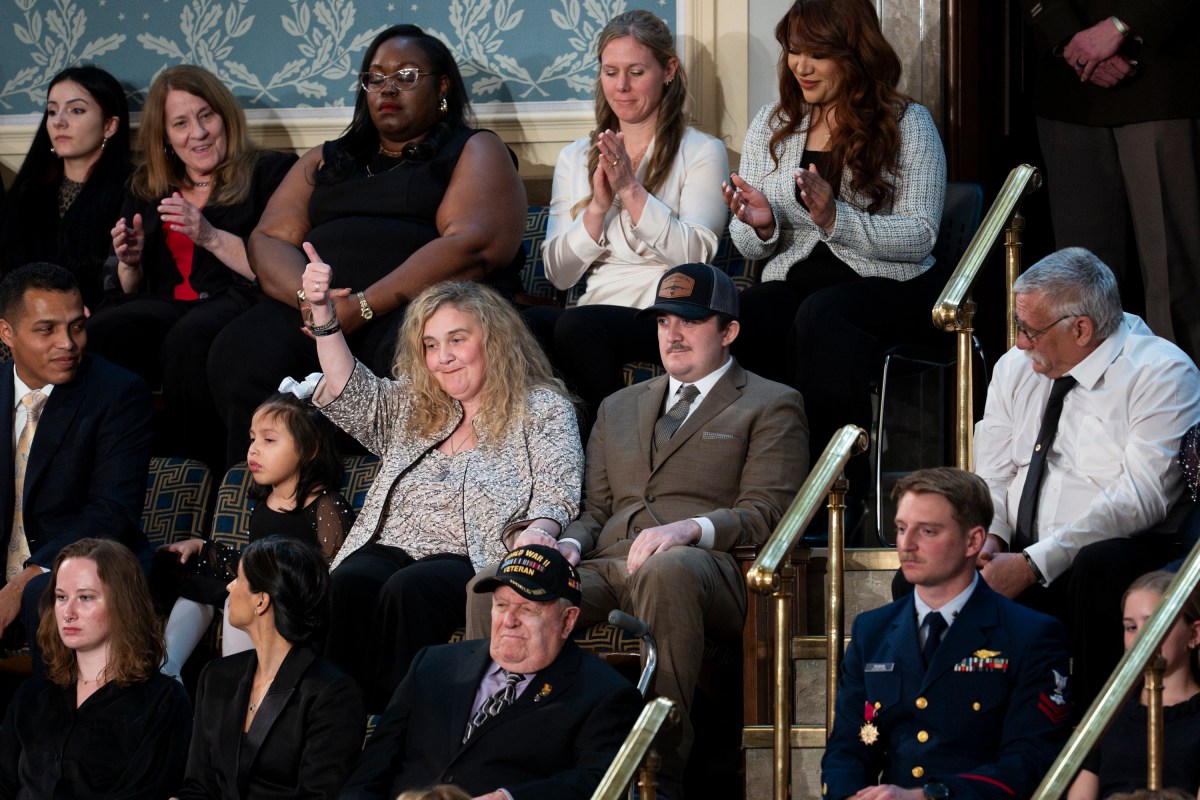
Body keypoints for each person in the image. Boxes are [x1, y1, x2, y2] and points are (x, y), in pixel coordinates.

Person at [469, 262, 808, 793]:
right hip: (611, 562)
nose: (672, 334)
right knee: (497, 581)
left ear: (729, 331)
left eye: (690, 322)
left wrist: (687, 530)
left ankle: (658, 767)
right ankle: (492, 753)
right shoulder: (619, 406)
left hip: (712, 569)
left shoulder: (772, 402)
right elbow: (596, 512)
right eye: (663, 321)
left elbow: (766, 513)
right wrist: (562, 543)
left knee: (666, 571)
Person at [208, 23, 528, 466]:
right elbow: (269, 238)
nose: (387, 88)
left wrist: (362, 306)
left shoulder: (473, 149)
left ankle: (390, 505)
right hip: (320, 311)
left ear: (443, 86)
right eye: (375, 78)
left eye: (407, 75)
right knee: (242, 348)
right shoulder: (327, 158)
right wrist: (312, 304)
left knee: (412, 354)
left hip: (412, 309)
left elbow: (472, 245)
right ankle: (266, 504)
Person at [301, 261, 582, 711]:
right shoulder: (417, 404)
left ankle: (393, 730)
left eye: (457, 340)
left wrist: (541, 529)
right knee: (347, 583)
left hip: (469, 555)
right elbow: (349, 389)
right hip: (390, 544)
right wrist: (322, 313)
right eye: (431, 346)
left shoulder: (541, 408)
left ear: (494, 341)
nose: (443, 357)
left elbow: (558, 487)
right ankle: (333, 724)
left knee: (406, 592)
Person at [721, 0, 945, 518]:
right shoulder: (774, 122)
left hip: (895, 285)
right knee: (746, 316)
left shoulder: (908, 123)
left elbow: (921, 235)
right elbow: (749, 243)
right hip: (800, 279)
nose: (801, 66)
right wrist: (761, 224)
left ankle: (836, 495)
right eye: (795, 52)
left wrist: (834, 219)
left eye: (818, 55)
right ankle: (760, 493)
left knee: (824, 317)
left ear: (854, 55)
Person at [972, 247, 1200, 713]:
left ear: (1081, 329)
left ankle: (1096, 741)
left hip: (1119, 549)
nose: (1019, 343)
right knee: (930, 574)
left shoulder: (1161, 371)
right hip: (1019, 549)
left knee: (1101, 565)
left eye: (1029, 331)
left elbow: (1141, 499)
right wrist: (991, 537)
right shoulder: (1015, 368)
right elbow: (992, 472)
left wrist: (1034, 564)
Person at [87, 65, 296, 470]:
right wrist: (130, 263)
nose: (197, 133)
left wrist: (210, 236)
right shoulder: (145, 187)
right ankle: (113, 471)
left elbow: (276, 271)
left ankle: (196, 476)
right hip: (165, 305)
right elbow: (129, 290)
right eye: (180, 123)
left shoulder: (269, 173)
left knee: (189, 337)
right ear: (164, 137)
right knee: (100, 331)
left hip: (240, 301)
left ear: (225, 117)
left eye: (206, 116)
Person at [527, 9, 729, 425]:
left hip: (665, 310)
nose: (621, 87)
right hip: (592, 310)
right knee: (518, 325)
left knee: (576, 327)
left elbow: (694, 257)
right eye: (610, 71)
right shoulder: (575, 158)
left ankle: (614, 445)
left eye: (636, 72)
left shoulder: (702, 151)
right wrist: (599, 207)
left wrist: (631, 191)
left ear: (668, 69)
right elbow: (559, 275)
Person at [822, 467, 1072, 800]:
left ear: (974, 541)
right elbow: (847, 750)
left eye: (927, 531)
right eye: (900, 529)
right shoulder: (872, 630)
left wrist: (929, 797)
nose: (906, 545)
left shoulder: (1030, 634)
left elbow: (1031, 761)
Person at [342, 545, 643, 800]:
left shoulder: (604, 693)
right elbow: (374, 764)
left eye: (527, 609)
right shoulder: (433, 664)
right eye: (501, 605)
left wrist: (510, 798)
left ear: (567, 620)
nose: (509, 620)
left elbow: (598, 784)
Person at [1020, 0, 1200, 363]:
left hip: (1162, 73)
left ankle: (1182, 409)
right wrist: (1071, 39)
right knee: (1079, 288)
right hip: (1069, 85)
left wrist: (1122, 25)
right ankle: (1090, 412)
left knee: (1175, 279)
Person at [0, 263, 152, 666]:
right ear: (7, 333)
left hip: (84, 568)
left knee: (45, 595)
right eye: (46, 329)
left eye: (76, 326)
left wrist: (27, 578)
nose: (67, 343)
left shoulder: (118, 394)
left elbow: (112, 512)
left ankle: (55, 723)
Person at [156, 390, 354, 678]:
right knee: (201, 584)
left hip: (293, 606)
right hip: (260, 589)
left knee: (241, 597)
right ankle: (168, 669)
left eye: (269, 440)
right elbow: (254, 563)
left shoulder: (325, 505)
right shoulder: (263, 506)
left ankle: (242, 681)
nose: (253, 450)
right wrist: (203, 548)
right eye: (252, 439)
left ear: (310, 449)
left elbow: (334, 575)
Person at [175, 536, 365, 800]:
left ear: (261, 601)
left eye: (239, 579)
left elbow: (318, 795)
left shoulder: (332, 694)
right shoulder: (216, 676)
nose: (229, 587)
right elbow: (198, 786)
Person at [0, 538, 192, 799]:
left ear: (123, 604)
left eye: (86, 597)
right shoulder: (31, 694)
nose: (68, 612)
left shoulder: (164, 703)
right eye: (61, 597)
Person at [0, 66, 131, 309]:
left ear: (109, 125)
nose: (59, 122)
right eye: (52, 111)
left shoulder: (131, 192)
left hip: (92, 320)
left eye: (76, 110)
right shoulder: (29, 193)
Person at [1068, 571, 1200, 800]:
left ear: (1194, 634)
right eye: (1131, 627)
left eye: (1156, 623)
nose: (1140, 638)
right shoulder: (1106, 713)